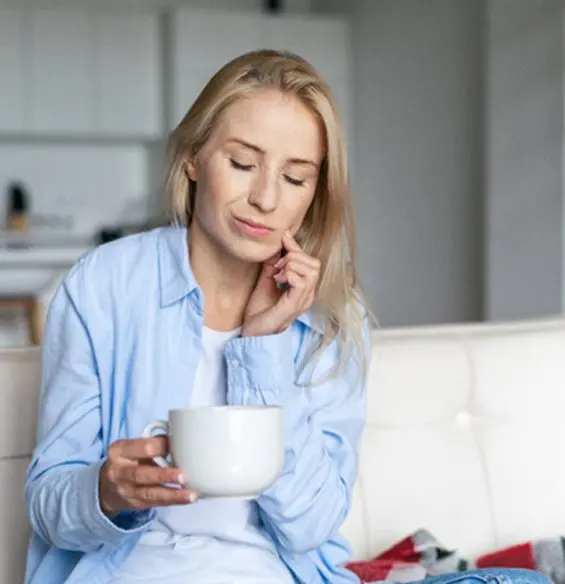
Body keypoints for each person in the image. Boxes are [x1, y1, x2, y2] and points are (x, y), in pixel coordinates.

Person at [22, 50, 550, 584]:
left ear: (314, 194)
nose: (265, 198)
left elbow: (310, 526)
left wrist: (262, 348)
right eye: (243, 164)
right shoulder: (104, 285)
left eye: (295, 178)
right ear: (193, 157)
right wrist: (107, 493)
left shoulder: (334, 317)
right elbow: (49, 504)